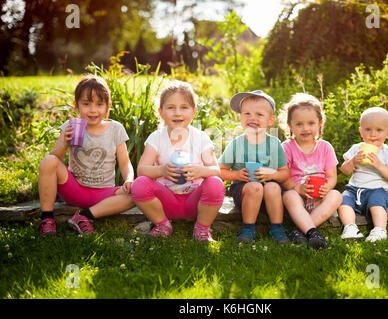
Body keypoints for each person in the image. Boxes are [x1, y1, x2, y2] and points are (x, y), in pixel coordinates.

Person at [38, 75, 135, 236]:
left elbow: (125, 162)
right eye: (86, 104)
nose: (93, 110)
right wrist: (64, 143)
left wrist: (129, 179)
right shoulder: (71, 126)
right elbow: (54, 160)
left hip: (104, 195)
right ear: (77, 106)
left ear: (108, 106)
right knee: (48, 161)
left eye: (99, 104)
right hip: (75, 190)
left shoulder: (115, 129)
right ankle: (46, 219)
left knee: (136, 194)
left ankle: (84, 217)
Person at [131, 80, 225, 242]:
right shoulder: (157, 138)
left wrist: (200, 171)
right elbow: (142, 170)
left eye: (184, 107)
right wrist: (162, 170)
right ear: (161, 112)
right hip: (166, 202)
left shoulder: (201, 138)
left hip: (195, 203)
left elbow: (215, 170)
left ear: (194, 111)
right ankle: (162, 224)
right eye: (171, 107)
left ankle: (202, 229)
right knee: (139, 184)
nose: (177, 113)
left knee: (215, 183)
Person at [219, 90, 290, 244]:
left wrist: (272, 174)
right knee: (254, 187)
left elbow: (285, 173)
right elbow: (220, 170)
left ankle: (277, 227)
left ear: (271, 120)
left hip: (270, 196)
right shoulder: (237, 143)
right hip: (245, 192)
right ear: (240, 118)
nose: (252, 118)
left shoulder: (274, 144)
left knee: (274, 187)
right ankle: (248, 228)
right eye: (247, 114)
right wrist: (237, 175)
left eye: (259, 114)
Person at [280, 93, 342, 249]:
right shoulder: (286, 147)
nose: (305, 128)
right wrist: (298, 188)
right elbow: (284, 178)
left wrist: (327, 187)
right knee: (289, 196)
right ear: (290, 125)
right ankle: (312, 232)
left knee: (336, 195)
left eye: (311, 123)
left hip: (319, 199)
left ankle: (300, 231)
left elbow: (332, 176)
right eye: (299, 124)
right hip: (299, 199)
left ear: (320, 123)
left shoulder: (325, 147)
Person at [338, 107, 388, 242]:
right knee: (343, 202)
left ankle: (379, 230)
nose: (373, 134)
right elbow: (344, 170)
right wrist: (353, 161)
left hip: (377, 190)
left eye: (379, 130)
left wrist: (379, 165)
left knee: (376, 205)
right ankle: (350, 228)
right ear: (361, 131)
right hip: (354, 189)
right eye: (368, 129)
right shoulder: (356, 149)